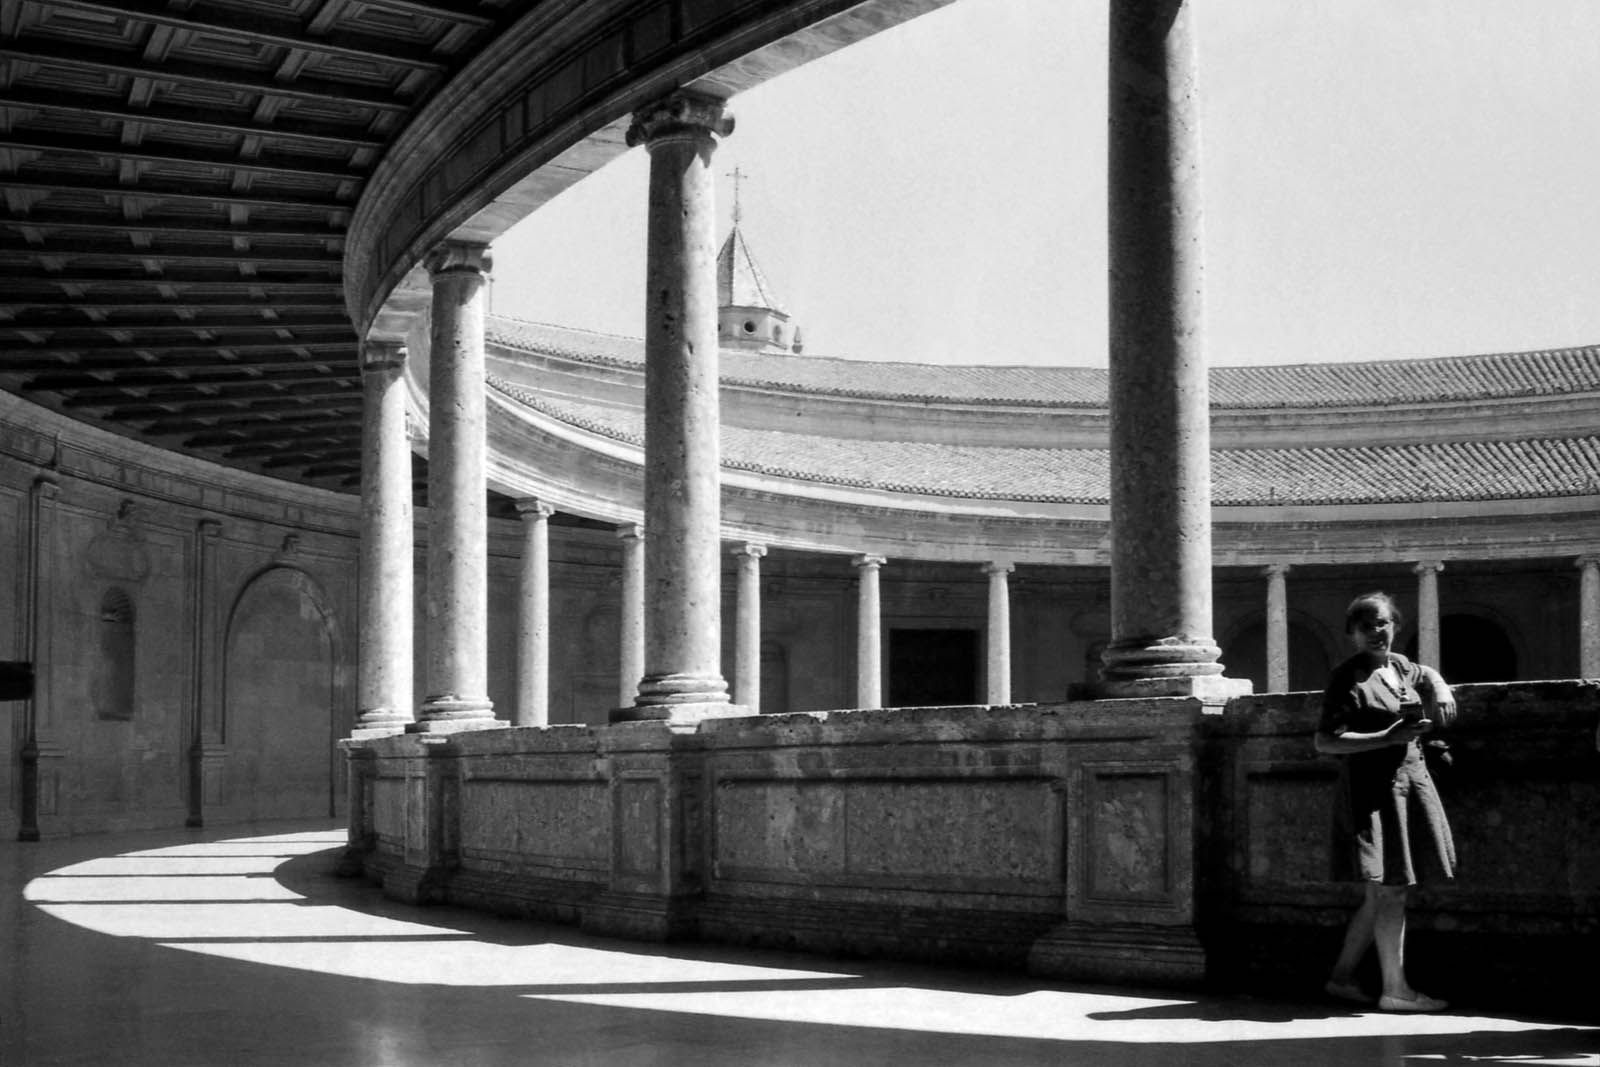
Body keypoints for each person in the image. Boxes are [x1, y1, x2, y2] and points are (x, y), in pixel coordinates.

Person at [1315, 591, 1456, 1013]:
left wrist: (1439, 685)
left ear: (1396, 625)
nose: (1376, 631)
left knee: (1379, 894)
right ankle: (1396, 989)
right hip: (1374, 794)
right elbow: (1325, 741)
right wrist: (1386, 737)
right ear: (1352, 634)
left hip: (1407, 785)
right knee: (1392, 890)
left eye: (1383, 623)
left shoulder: (1399, 667)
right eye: (1366, 626)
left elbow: (1423, 671)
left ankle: (1341, 978)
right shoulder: (1348, 677)